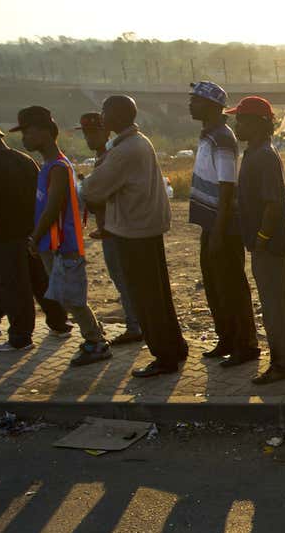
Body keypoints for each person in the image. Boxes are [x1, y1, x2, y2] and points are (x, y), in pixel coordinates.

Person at [81, 95, 188, 377]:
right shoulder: (139, 142)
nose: (102, 117)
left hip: (133, 231)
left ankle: (164, 357)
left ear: (117, 115)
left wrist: (89, 185)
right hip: (146, 228)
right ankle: (174, 348)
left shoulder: (123, 150)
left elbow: (92, 190)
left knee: (147, 298)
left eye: (105, 111)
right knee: (159, 294)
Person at [13, 106, 111, 368]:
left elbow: (53, 206)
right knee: (67, 296)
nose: (24, 138)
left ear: (45, 132)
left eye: (27, 132)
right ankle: (95, 334)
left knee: (71, 298)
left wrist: (35, 236)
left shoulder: (57, 167)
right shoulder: (48, 166)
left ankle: (95, 341)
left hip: (63, 243)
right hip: (53, 243)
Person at [0, 117, 73, 351]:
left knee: (13, 287)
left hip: (4, 234)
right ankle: (59, 323)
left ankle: (20, 336)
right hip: (32, 231)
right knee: (41, 281)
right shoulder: (25, 160)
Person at [231, 95, 285, 384]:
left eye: (241, 120)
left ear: (257, 124)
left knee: (274, 306)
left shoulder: (262, 156)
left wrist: (260, 238)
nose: (236, 126)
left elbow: (273, 204)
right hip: (271, 242)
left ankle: (282, 363)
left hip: (268, 243)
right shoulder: (258, 152)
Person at [187, 81, 259, 364]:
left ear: (212, 106)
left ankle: (246, 345)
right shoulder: (209, 135)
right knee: (216, 285)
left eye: (196, 100)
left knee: (231, 285)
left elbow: (227, 187)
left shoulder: (222, 138)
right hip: (213, 224)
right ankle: (227, 339)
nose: (190, 104)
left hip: (223, 225)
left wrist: (218, 231)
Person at [78, 111, 143, 345]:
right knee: (122, 279)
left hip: (117, 228)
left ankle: (136, 325)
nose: (88, 138)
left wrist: (87, 193)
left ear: (106, 131)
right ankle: (136, 323)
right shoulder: (103, 157)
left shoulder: (111, 157)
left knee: (124, 278)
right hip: (113, 227)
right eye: (85, 132)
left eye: (92, 132)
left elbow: (101, 195)